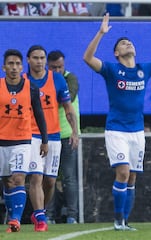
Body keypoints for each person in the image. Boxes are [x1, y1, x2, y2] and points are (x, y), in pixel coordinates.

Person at [83, 13, 151, 230]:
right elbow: (87, 59)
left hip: (137, 132)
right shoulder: (111, 69)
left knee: (132, 177)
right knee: (123, 172)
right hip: (116, 130)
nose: (128, 44)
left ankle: (124, 221)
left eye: (130, 42)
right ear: (117, 53)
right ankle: (117, 221)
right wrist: (101, 33)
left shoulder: (144, 69)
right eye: (124, 43)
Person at [25, 45, 79, 232]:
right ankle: (41, 217)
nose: (39, 61)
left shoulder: (57, 79)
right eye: (35, 58)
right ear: (28, 60)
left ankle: (39, 212)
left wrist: (74, 131)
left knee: (50, 181)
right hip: (31, 134)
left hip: (54, 135)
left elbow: (67, 107)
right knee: (36, 177)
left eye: (41, 58)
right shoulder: (24, 81)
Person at [0, 49, 48, 232]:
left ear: (22, 66)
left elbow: (39, 114)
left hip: (22, 141)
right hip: (2, 140)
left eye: (17, 64)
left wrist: (44, 140)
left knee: (19, 178)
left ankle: (15, 220)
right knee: (7, 182)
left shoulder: (31, 88)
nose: (14, 67)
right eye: (10, 64)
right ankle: (13, 217)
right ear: (4, 67)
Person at [46, 50, 81, 224]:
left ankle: (72, 216)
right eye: (53, 68)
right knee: (48, 177)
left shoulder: (71, 79)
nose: (57, 70)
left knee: (68, 177)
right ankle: (49, 215)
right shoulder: (44, 80)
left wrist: (75, 133)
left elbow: (69, 97)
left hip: (67, 134)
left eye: (60, 67)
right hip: (48, 135)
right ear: (47, 66)